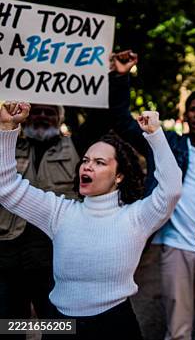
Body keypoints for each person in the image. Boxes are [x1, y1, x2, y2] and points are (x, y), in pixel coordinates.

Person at [0, 102, 182, 339]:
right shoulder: (59, 212)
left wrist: (155, 135)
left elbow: (171, 190)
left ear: (119, 176)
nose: (87, 166)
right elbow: (7, 189)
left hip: (113, 325)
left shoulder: (136, 217)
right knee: (9, 327)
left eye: (99, 162)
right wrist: (6, 128)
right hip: (61, 325)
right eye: (86, 160)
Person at [107, 51, 195, 340]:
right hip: (174, 245)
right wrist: (120, 76)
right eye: (193, 109)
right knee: (177, 330)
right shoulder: (167, 144)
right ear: (185, 115)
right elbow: (122, 122)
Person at [0, 103, 111, 335]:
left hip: (54, 257)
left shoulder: (78, 148)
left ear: (59, 118)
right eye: (36, 111)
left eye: (49, 112)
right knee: (9, 325)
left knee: (58, 326)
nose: (41, 116)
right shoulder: (7, 145)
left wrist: (114, 77)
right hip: (9, 254)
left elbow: (100, 118)